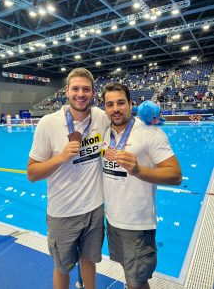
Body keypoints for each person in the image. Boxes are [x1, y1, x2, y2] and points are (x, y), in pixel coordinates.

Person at [27, 68, 110, 289]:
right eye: (75, 88)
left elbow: (125, 119)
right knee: (62, 268)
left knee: (89, 261)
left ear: (93, 93)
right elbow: (32, 173)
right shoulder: (48, 123)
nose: (80, 94)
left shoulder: (101, 118)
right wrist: (61, 157)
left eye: (86, 89)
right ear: (67, 91)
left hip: (94, 209)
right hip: (62, 213)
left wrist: (151, 122)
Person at [102, 83, 182, 289]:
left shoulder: (149, 132)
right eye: (109, 104)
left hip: (137, 224)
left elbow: (175, 175)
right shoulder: (104, 132)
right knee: (129, 273)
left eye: (121, 102)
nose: (116, 109)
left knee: (137, 281)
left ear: (131, 103)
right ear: (105, 108)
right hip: (113, 219)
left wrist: (138, 170)